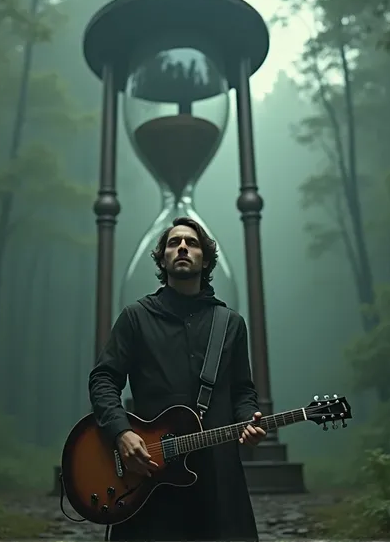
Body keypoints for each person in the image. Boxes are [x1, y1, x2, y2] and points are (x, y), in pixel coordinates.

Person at [89, 216, 266, 541]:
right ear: (162, 258)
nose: (182, 247)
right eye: (174, 242)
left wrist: (247, 420)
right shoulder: (135, 318)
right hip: (149, 473)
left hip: (217, 474)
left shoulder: (230, 324)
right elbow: (103, 379)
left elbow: (242, 390)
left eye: (192, 242)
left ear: (207, 258)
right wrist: (121, 432)